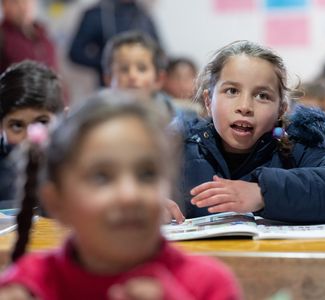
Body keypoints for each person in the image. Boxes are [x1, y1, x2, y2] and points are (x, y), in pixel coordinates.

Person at [0, 92, 242, 299]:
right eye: (102, 177)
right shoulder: (28, 287)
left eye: (146, 174)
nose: (129, 195)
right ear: (57, 202)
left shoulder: (209, 285)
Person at [174, 40, 325, 223]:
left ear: (281, 109)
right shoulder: (176, 149)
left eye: (262, 95)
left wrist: (263, 193)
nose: (245, 106)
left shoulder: (294, 148)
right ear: (209, 101)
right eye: (232, 91)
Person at [0, 60, 64, 203]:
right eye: (17, 126)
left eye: (42, 123)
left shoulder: (75, 167)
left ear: (64, 119)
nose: (30, 137)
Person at [69, 0, 160, 86]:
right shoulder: (97, 14)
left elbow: (158, 52)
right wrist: (107, 63)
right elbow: (75, 51)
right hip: (109, 84)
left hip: (142, 89)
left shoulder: (143, 16)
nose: (132, 75)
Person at [102, 30, 176, 120]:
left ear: (158, 79)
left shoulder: (175, 119)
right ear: (109, 79)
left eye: (142, 69)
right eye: (124, 69)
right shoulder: (99, 118)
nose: (132, 76)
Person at [0, 0, 57, 73]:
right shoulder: (3, 37)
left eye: (27, 1)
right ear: (4, 6)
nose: (23, 7)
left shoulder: (43, 32)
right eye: (15, 2)